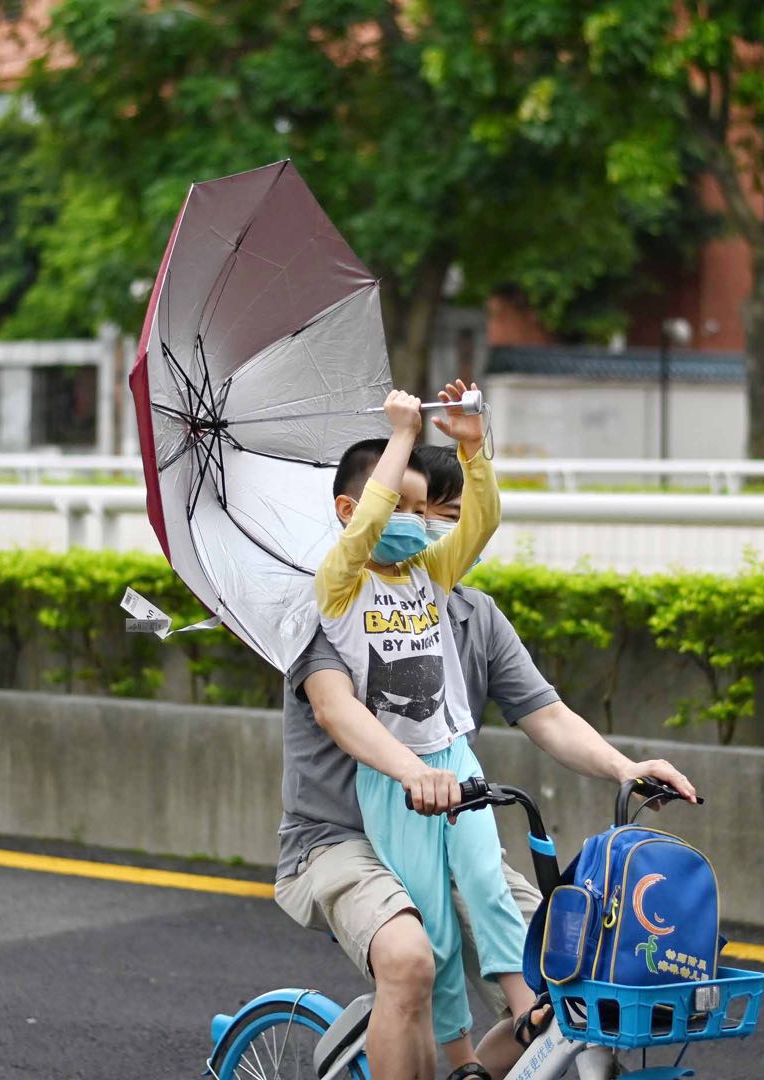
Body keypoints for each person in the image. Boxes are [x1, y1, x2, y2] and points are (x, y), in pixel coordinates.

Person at [277, 438, 698, 1080]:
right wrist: (413, 771)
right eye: (414, 511)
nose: (429, 528)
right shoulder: (329, 606)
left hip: (452, 810)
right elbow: (338, 711)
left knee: (570, 970)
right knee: (412, 957)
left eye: (446, 516)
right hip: (339, 837)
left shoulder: (472, 614)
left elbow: (548, 716)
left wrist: (624, 767)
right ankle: (452, 1051)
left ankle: (482, 1059)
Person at [313, 380, 532, 1080]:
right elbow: (367, 522)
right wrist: (402, 434)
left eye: (420, 509)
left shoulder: (426, 573)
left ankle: (524, 1005)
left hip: (454, 756)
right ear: (351, 511)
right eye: (400, 507)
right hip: (394, 779)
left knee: (486, 881)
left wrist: (473, 450)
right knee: (432, 927)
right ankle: (461, 1059)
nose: (413, 521)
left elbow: (481, 523)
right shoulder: (341, 582)